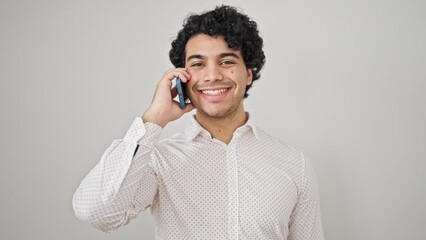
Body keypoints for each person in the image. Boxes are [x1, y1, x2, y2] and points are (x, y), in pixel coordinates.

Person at [73, 5, 324, 240]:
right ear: (182, 78)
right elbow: (95, 213)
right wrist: (154, 118)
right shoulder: (158, 161)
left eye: (226, 61)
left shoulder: (294, 165)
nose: (213, 75)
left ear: (248, 73)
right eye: (198, 64)